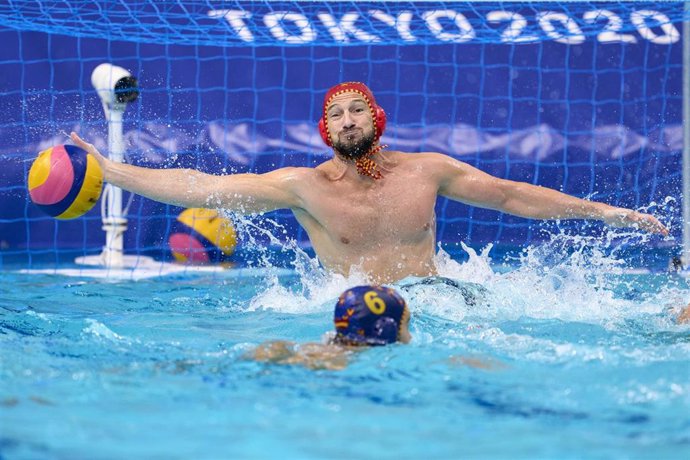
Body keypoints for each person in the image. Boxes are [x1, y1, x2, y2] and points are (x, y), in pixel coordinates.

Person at [70, 81, 669, 283]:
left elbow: (515, 198)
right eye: (336, 113)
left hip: (441, 302)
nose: (347, 118)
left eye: (358, 109)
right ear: (324, 129)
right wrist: (108, 169)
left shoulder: (428, 170)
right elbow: (201, 186)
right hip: (348, 308)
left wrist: (607, 213)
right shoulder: (303, 186)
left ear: (376, 120)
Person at [248, 285, 411, 370]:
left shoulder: (311, 348)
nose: (409, 336)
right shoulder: (339, 364)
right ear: (384, 329)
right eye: (406, 326)